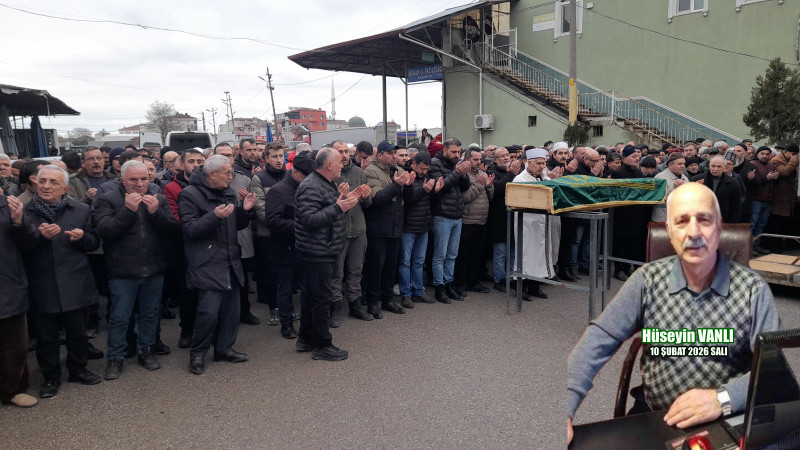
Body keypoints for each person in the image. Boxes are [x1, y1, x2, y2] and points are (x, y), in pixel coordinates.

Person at [566, 183, 781, 445]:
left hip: (725, 420)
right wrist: (564, 409)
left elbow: (773, 371)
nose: (693, 232)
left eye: (704, 219)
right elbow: (598, 340)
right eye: (681, 221)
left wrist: (723, 398)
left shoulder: (753, 291)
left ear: (719, 226)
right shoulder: (646, 280)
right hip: (657, 416)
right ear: (669, 231)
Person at [93, 160, 179, 380]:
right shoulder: (106, 199)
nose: (140, 184)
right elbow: (105, 231)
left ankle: (146, 351)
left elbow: (170, 230)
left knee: (151, 315)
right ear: (122, 180)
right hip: (122, 270)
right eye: (133, 180)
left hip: (153, 268)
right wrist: (128, 211)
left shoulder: (158, 198)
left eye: (144, 179)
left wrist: (155, 213)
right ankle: (115, 357)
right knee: (120, 317)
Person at [22, 165, 103, 398]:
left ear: (65, 188)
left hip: (75, 282)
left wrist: (82, 238)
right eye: (42, 181)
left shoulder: (81, 210)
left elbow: (94, 243)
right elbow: (18, 249)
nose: (46, 186)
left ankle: (78, 369)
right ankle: (50, 377)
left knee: (77, 333)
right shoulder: (25, 212)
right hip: (42, 283)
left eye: (53, 182)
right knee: (47, 337)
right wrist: (39, 237)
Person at [178, 154, 256, 375]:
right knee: (208, 312)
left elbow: (236, 224)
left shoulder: (228, 192)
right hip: (207, 261)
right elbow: (190, 229)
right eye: (227, 173)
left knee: (232, 311)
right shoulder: (189, 195)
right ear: (212, 174)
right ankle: (198, 354)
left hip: (231, 258)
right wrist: (214, 216)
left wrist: (245, 210)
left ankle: (224, 349)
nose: (231, 177)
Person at [293, 147, 359, 361]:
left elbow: (327, 212)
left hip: (322, 249)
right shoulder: (312, 186)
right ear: (329, 165)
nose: (343, 164)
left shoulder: (324, 183)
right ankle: (322, 345)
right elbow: (309, 220)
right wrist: (338, 208)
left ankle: (305, 338)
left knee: (312, 297)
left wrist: (344, 203)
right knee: (321, 298)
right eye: (340, 161)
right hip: (316, 252)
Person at [265, 151, 315, 339]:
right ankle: (286, 323)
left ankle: (307, 321)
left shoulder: (308, 188)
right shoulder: (278, 190)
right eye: (306, 175)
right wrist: (303, 225)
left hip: (306, 247)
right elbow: (272, 221)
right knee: (285, 290)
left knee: (307, 287)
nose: (309, 179)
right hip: (284, 250)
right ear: (295, 172)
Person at [363, 140, 412, 316]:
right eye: (390, 153)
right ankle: (373, 302)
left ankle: (387, 299)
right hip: (378, 227)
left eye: (395, 153)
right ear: (380, 155)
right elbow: (378, 199)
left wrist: (409, 186)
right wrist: (397, 184)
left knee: (391, 266)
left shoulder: (398, 170)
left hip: (395, 226)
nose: (393, 156)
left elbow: (408, 199)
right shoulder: (370, 171)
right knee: (376, 267)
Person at [162, 148, 205, 348]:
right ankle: (187, 330)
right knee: (188, 292)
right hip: (184, 247)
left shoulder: (211, 184)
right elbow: (175, 219)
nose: (196, 165)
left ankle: (207, 330)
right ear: (181, 164)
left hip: (208, 246)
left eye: (199, 161)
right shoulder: (171, 188)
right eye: (191, 161)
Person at [0, 193, 38, 408]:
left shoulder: (9, 205)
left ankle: (13, 390)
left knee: (14, 344)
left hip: (8, 285)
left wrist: (18, 222)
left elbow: (30, 244)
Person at [330, 140, 373, 323]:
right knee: (336, 273)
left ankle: (355, 305)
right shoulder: (330, 175)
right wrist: (339, 197)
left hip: (358, 229)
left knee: (356, 270)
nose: (345, 155)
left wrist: (365, 197)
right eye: (340, 151)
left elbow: (368, 204)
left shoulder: (359, 173)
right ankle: (334, 308)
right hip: (338, 231)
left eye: (346, 151)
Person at [428, 138, 471, 302]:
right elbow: (441, 187)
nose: (456, 155)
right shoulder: (435, 163)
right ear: (444, 150)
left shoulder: (456, 164)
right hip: (441, 215)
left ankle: (449, 283)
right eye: (453, 152)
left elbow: (465, 187)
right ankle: (439, 287)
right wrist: (457, 173)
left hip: (456, 215)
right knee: (440, 255)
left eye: (459, 152)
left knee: (452, 255)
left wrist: (464, 174)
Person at [511, 148, 558, 299]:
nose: (542, 166)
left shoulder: (542, 178)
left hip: (541, 223)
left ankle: (534, 285)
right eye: (538, 163)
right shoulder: (520, 179)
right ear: (528, 163)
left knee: (539, 256)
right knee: (526, 255)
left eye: (544, 163)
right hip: (526, 223)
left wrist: (547, 178)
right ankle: (521, 287)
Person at [250, 142, 287, 326]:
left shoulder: (289, 176)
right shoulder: (259, 179)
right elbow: (261, 209)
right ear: (266, 159)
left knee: (287, 273)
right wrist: (283, 223)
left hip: (288, 233)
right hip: (268, 235)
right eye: (274, 156)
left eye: (281, 156)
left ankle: (286, 307)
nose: (279, 160)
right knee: (271, 273)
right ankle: (274, 308)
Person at [400, 151, 440, 304]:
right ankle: (406, 293)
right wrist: (425, 190)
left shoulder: (426, 177)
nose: (424, 172)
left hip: (423, 225)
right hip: (408, 227)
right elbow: (409, 200)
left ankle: (418, 291)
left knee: (419, 261)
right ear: (414, 164)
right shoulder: (407, 176)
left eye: (426, 170)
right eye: (422, 169)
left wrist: (435, 192)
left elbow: (429, 201)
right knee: (405, 262)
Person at [454, 145, 494, 294]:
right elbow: (465, 197)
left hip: (482, 221)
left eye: (480, 159)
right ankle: (460, 283)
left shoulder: (482, 174)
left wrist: (489, 186)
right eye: (475, 159)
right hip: (467, 222)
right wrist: (480, 184)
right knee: (463, 255)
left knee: (477, 255)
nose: (478, 162)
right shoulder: (463, 175)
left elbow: (490, 197)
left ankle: (473, 282)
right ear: (466, 159)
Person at [486, 147, 526, 297]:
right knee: (501, 252)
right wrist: (511, 174)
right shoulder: (492, 171)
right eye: (501, 156)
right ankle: (499, 280)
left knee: (513, 252)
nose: (505, 158)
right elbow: (498, 189)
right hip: (498, 218)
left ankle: (512, 277)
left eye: (507, 155)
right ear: (495, 159)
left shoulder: (515, 171)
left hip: (513, 216)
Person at [690, 156, 742, 223]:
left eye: (719, 166)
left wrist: (732, 226)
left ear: (724, 167)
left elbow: (736, 207)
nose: (715, 169)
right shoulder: (696, 180)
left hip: (722, 220)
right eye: (713, 166)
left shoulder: (733, 183)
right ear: (709, 165)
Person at [748, 146, 778, 255]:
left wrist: (775, 178)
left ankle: (756, 246)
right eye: (762, 154)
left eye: (767, 154)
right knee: (752, 225)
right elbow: (753, 182)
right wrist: (767, 178)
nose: (764, 156)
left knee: (761, 225)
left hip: (768, 200)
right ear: (758, 154)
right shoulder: (752, 165)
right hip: (756, 200)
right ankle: (748, 247)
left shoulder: (771, 165)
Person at [652, 152, 688, 223]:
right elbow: (656, 199)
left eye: (684, 164)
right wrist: (673, 188)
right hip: (663, 220)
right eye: (679, 164)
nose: (683, 166)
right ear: (670, 165)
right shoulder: (660, 178)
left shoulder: (685, 178)